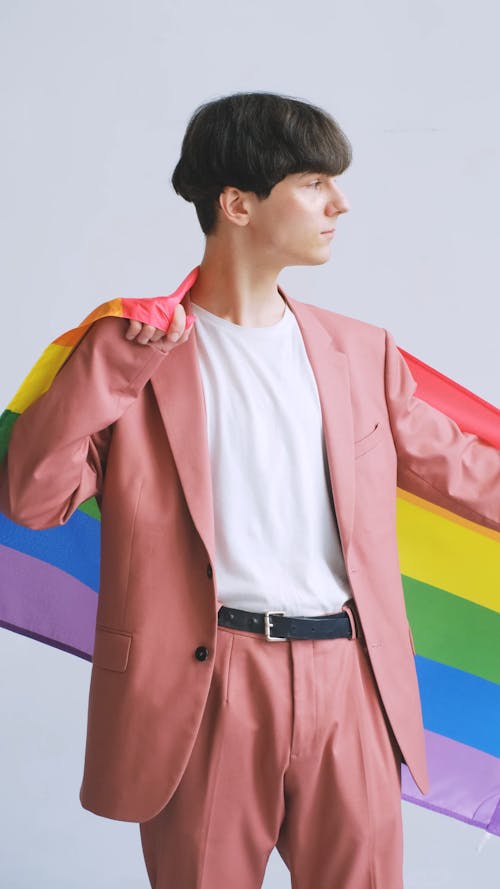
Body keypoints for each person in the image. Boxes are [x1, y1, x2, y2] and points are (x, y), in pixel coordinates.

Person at [3, 91, 500, 889]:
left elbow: (466, 472)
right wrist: (115, 364)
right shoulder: (130, 349)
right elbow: (31, 497)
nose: (339, 203)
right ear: (236, 203)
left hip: (350, 680)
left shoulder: (360, 352)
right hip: (203, 683)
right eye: (312, 182)